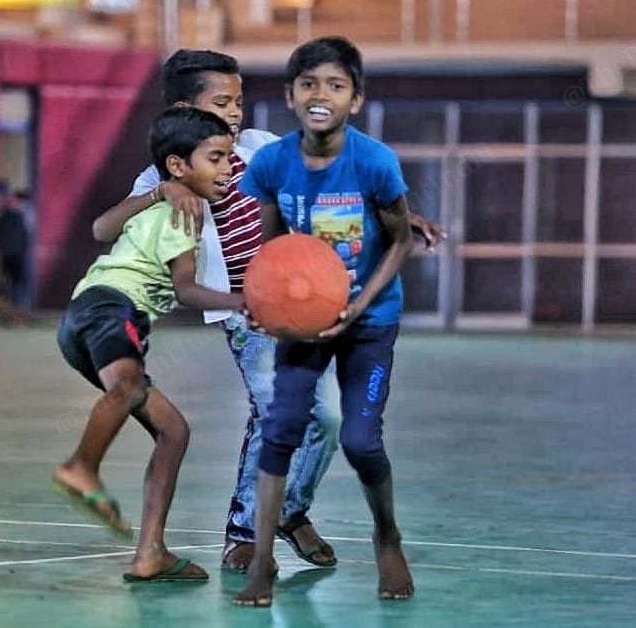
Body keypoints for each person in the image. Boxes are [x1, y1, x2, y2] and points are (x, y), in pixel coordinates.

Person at [92, 49, 445, 574]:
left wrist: (395, 215)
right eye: (222, 102)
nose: (236, 112)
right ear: (186, 108)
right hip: (246, 316)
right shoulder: (163, 176)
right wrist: (160, 193)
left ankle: (291, 510)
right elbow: (104, 228)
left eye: (239, 100)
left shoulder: (261, 148)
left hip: (304, 303)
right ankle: (242, 532)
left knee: (329, 416)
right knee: (278, 410)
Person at [233, 36, 415, 607]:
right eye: (309, 84)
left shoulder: (375, 162)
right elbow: (271, 247)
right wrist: (268, 307)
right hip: (303, 323)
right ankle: (262, 560)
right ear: (290, 95)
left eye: (335, 85)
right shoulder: (271, 164)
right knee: (280, 429)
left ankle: (387, 535)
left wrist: (358, 308)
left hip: (368, 320)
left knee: (360, 440)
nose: (321, 95)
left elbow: (401, 241)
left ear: (354, 100)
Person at [51, 106, 244, 583]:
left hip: (82, 318)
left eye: (229, 158)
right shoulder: (183, 210)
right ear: (178, 166)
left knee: (173, 431)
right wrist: (245, 300)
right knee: (131, 387)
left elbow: (99, 230)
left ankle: (150, 554)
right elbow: (186, 291)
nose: (226, 169)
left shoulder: (162, 203)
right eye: (216, 158)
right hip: (113, 309)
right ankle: (82, 465)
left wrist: (155, 192)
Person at [0, 180, 31, 327]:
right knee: (4, 290)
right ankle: (9, 317)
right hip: (8, 259)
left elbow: (21, 239)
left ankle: (16, 317)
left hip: (12, 259)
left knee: (14, 290)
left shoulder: (11, 218)